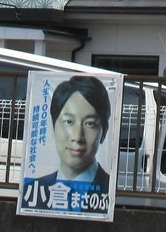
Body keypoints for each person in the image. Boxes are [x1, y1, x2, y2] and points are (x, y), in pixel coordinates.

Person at [27, 75, 113, 210]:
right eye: (68, 122)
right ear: (53, 125)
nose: (77, 137)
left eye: (90, 123)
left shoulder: (110, 190)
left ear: (104, 131)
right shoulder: (32, 191)